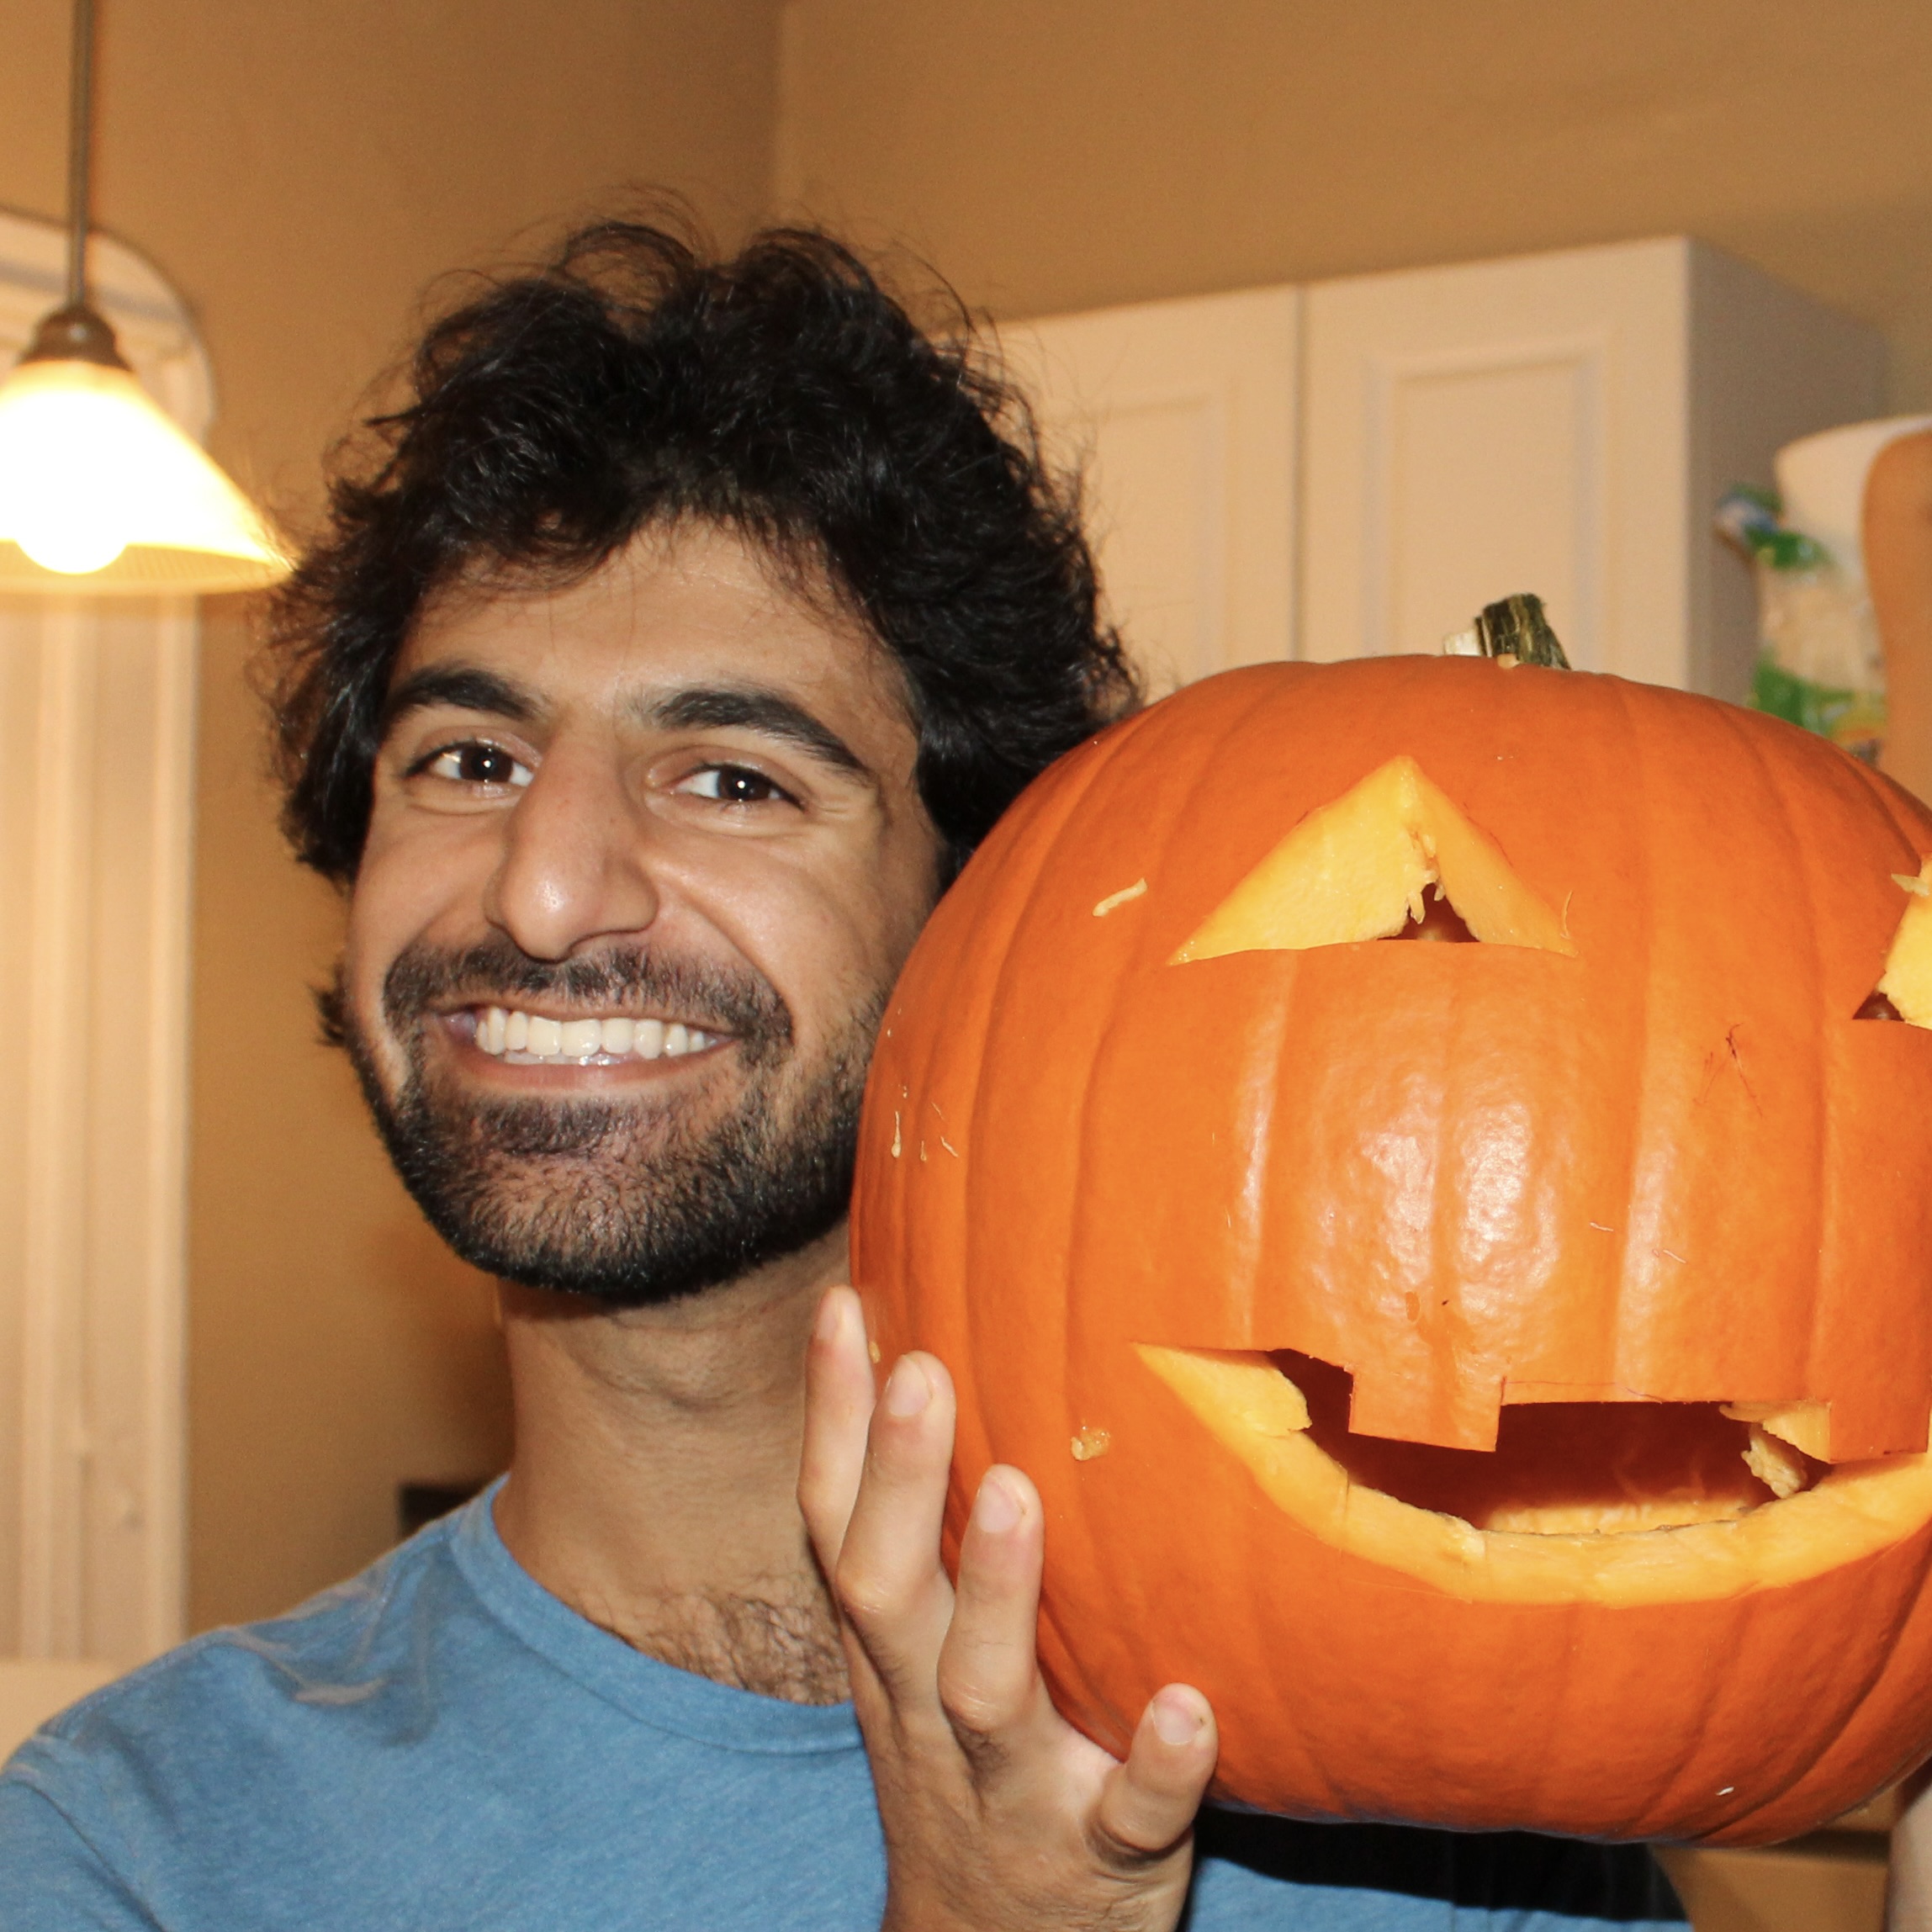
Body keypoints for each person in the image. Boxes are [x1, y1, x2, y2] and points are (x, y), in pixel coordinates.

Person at [0, 219, 1686, 1929]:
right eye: (471, 756)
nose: (548, 883)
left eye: (733, 779)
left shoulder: (1420, 1760)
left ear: (981, 915)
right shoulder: (131, 1843)